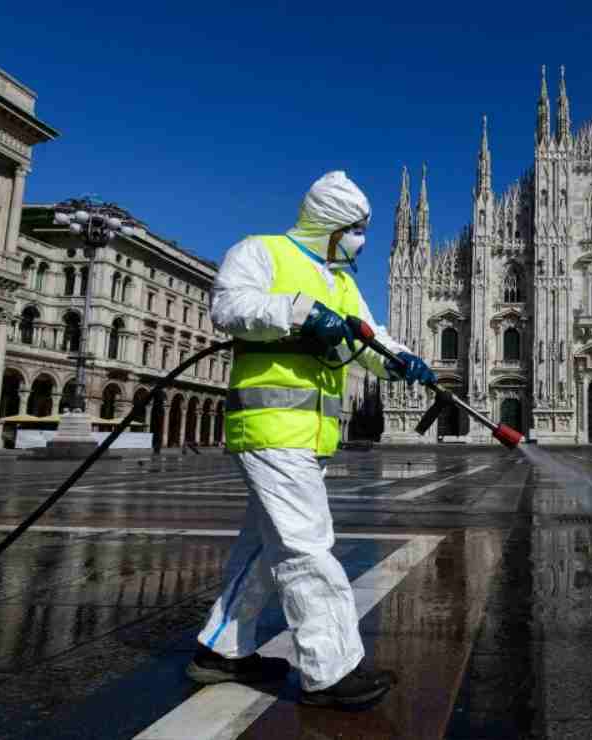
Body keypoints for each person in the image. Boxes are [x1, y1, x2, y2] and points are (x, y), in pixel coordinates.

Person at [185, 171, 437, 708]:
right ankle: (330, 670)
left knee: (262, 548)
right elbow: (229, 307)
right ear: (329, 223)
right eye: (356, 229)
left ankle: (220, 648)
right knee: (306, 547)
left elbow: (371, 338)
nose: (361, 241)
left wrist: (403, 361)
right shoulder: (262, 252)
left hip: (309, 435)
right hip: (269, 427)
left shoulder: (339, 282)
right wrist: (298, 313)